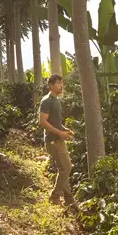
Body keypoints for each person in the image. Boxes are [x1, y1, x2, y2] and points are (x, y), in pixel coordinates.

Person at [38, 75, 76, 207]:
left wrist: (65, 130)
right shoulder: (47, 101)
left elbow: (55, 122)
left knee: (64, 168)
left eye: (62, 83)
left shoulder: (56, 101)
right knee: (66, 167)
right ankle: (55, 196)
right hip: (53, 140)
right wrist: (60, 133)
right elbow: (42, 122)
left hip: (58, 139)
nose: (61, 86)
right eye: (58, 83)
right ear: (50, 85)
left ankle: (69, 198)